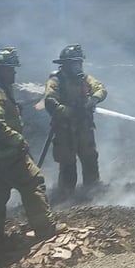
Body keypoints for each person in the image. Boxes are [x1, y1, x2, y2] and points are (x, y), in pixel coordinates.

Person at [0, 46, 61, 258]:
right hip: (6, 153)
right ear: (0, 70)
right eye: (10, 69)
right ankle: (45, 229)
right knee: (32, 183)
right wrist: (17, 139)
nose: (14, 73)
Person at [43, 44, 108, 200]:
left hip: (84, 127)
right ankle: (66, 197)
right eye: (74, 63)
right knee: (67, 163)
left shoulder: (84, 79)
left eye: (79, 62)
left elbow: (101, 88)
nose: (78, 66)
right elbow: (50, 102)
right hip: (65, 129)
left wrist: (93, 100)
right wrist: (69, 111)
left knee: (90, 158)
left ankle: (92, 192)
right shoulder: (56, 80)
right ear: (65, 64)